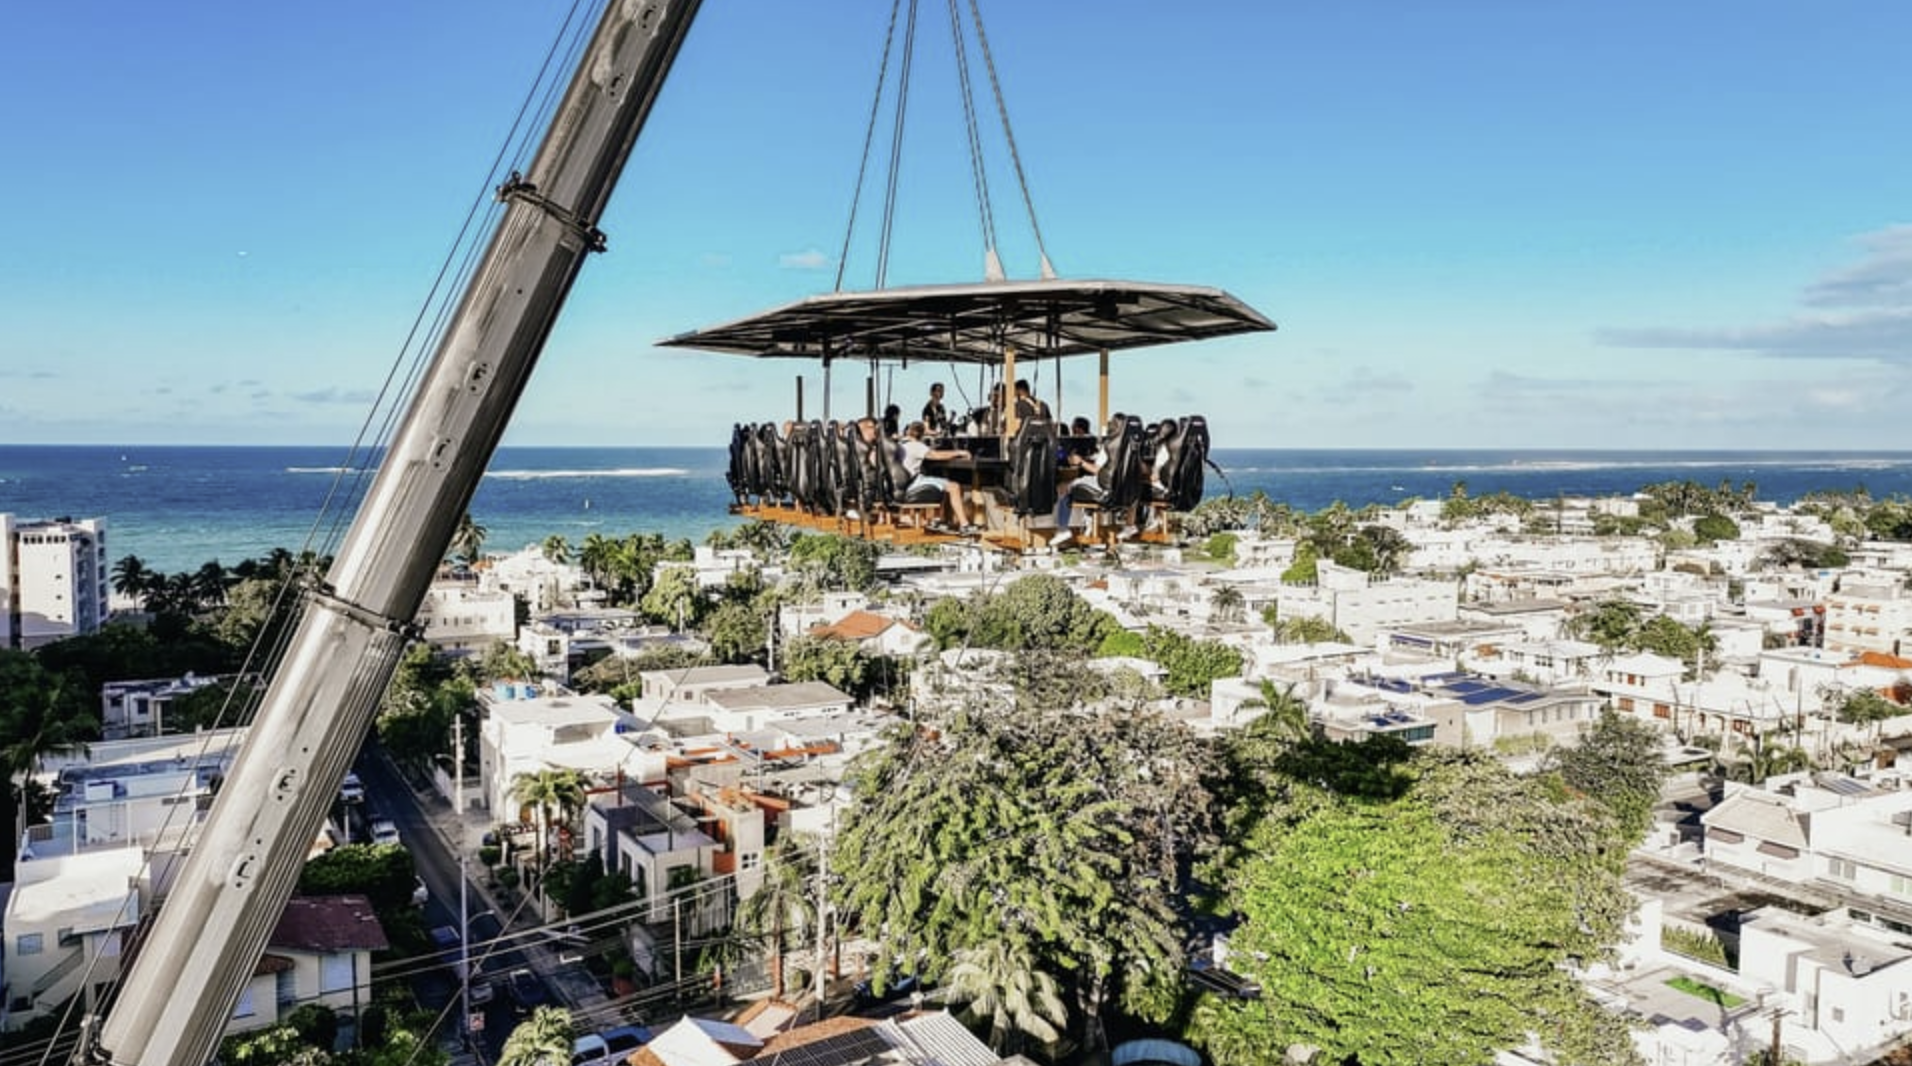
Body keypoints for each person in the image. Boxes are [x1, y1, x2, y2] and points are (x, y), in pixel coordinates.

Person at [863, 419, 978, 533]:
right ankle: (964, 525)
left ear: (908, 432)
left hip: (897, 487)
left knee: (942, 483)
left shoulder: (899, 445)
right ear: (923, 434)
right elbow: (936, 455)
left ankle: (941, 520)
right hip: (912, 484)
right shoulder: (916, 445)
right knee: (954, 486)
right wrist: (959, 452)